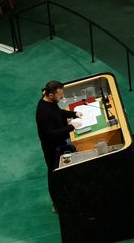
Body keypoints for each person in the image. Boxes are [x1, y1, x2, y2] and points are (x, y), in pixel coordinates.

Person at [35, 80, 80, 208]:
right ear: (50, 95)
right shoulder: (43, 112)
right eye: (60, 95)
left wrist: (74, 114)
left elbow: (58, 113)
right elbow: (50, 133)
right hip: (52, 148)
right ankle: (57, 203)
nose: (62, 97)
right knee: (54, 173)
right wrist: (71, 127)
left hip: (59, 143)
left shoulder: (51, 103)